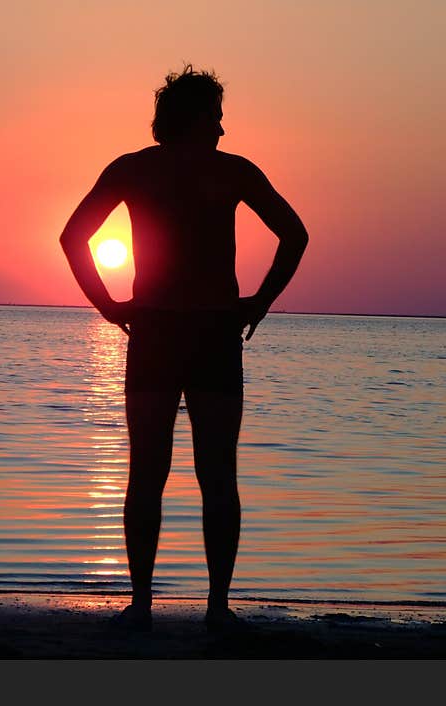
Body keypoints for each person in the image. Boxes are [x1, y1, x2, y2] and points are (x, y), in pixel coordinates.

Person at [60, 65, 308, 632]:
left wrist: (108, 305)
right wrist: (260, 301)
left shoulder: (133, 170)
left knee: (148, 472)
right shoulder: (232, 171)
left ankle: (144, 605)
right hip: (212, 332)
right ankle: (216, 609)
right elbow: (295, 234)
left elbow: (73, 237)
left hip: (157, 332)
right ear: (197, 118)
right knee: (216, 473)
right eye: (216, 117)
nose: (223, 129)